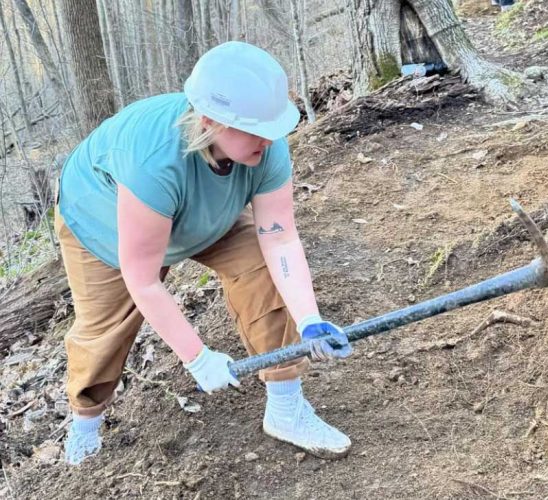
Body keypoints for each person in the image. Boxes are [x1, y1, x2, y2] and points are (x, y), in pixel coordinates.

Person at [55, 41, 353, 465]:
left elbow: (281, 237)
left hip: (204, 210)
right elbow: (143, 279)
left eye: (272, 129)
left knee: (260, 266)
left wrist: (309, 321)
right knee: (105, 329)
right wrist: (197, 358)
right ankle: (85, 426)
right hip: (104, 220)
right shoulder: (153, 162)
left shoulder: (265, 144)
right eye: (256, 129)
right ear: (211, 121)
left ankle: (286, 407)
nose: (269, 139)